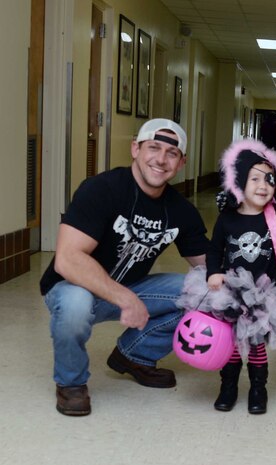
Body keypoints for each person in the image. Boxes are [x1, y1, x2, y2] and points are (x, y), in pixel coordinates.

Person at [39, 119, 210, 416]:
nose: (161, 159)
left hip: (131, 287)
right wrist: (125, 298)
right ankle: (71, 383)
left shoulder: (181, 210)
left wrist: (258, 276)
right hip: (73, 287)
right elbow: (67, 259)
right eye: (153, 148)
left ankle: (134, 355)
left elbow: (210, 268)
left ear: (181, 163)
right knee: (76, 305)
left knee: (205, 293)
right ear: (135, 149)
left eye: (171, 153)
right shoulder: (101, 189)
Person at [177, 139, 276, 414]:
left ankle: (258, 390)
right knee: (230, 344)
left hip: (264, 296)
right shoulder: (227, 218)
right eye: (255, 179)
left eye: (269, 179)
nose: (263, 185)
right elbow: (215, 250)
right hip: (230, 293)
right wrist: (214, 273)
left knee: (256, 345)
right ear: (239, 182)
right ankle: (228, 387)